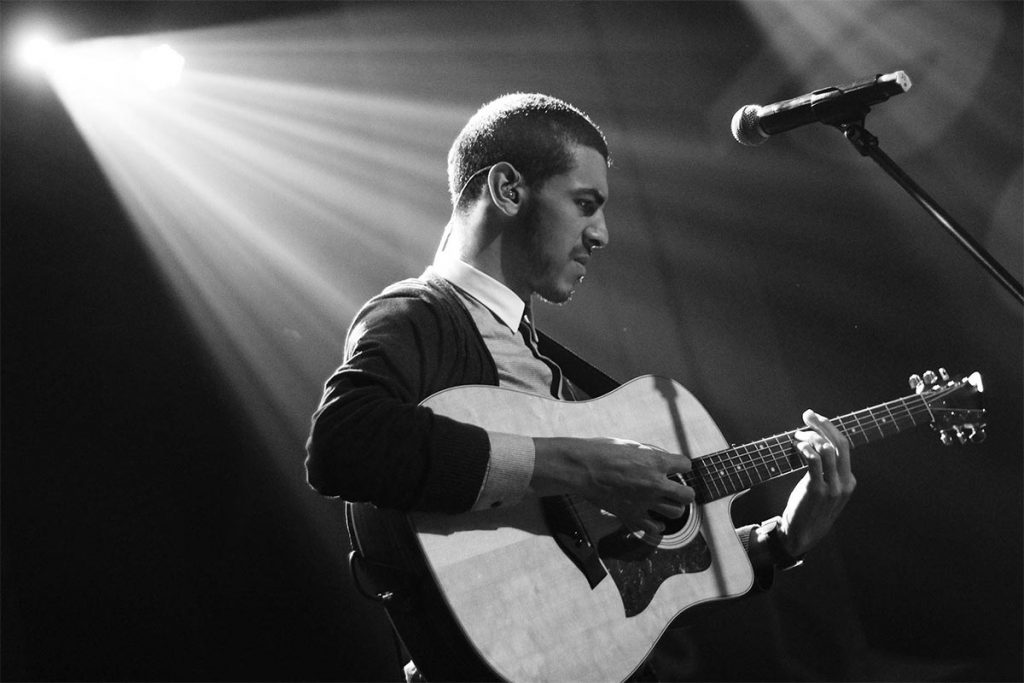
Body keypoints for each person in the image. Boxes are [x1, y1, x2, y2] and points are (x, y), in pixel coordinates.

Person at [305, 92, 855, 681]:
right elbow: (342, 444)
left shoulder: (549, 369)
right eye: (585, 203)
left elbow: (617, 592)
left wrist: (784, 540)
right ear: (509, 190)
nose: (602, 234)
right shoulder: (417, 316)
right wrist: (578, 466)